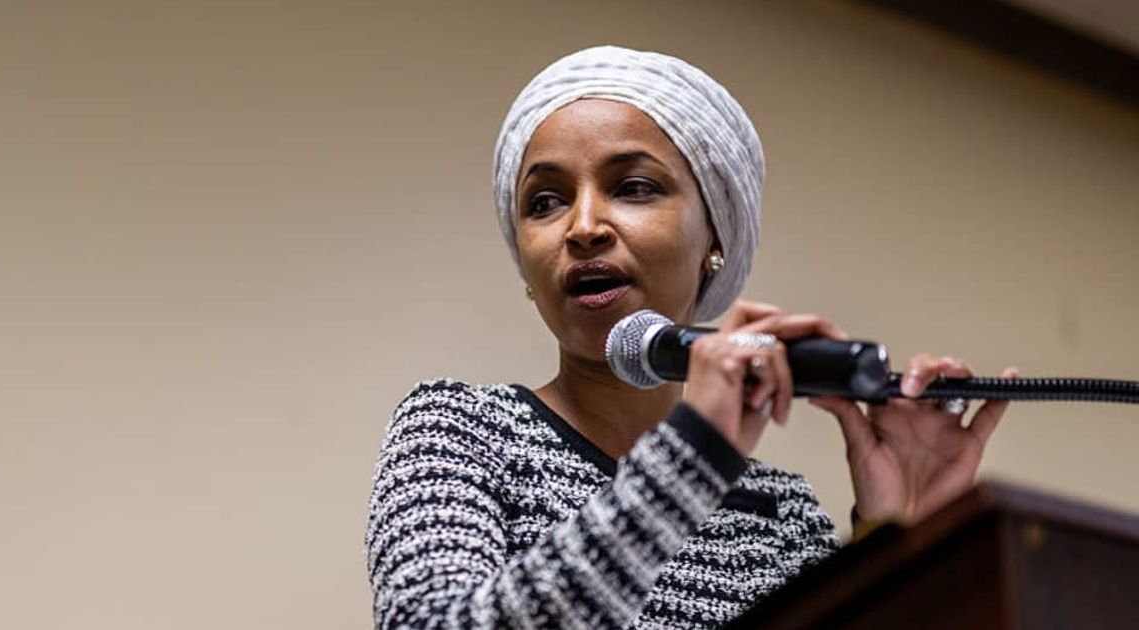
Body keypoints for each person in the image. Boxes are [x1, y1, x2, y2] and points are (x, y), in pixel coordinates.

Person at [365, 45, 1016, 629]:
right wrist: (689, 461)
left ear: (715, 242)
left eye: (633, 188)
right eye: (545, 202)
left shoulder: (777, 514)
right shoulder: (459, 431)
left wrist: (897, 540)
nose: (583, 225)